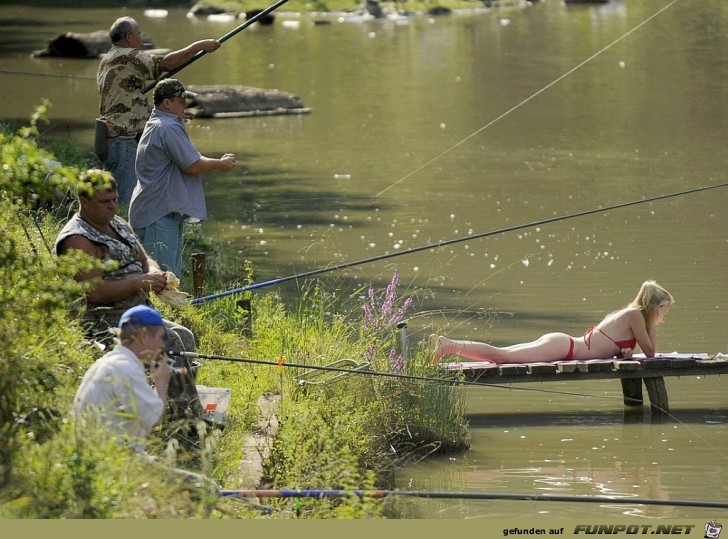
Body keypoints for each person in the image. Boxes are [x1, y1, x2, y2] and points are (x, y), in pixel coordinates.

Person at [55, 169, 203, 421]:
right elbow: (96, 293)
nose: (112, 206)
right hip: (103, 323)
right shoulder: (77, 239)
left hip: (136, 316)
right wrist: (140, 282)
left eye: (114, 199)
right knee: (171, 342)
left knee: (185, 337)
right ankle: (186, 421)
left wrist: (156, 275)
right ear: (84, 201)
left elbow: (144, 259)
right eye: (104, 202)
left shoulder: (117, 223)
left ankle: (173, 409)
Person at [97, 16, 222, 205]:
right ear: (129, 37)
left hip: (111, 137)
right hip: (122, 139)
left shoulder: (107, 59)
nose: (141, 38)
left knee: (119, 195)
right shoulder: (127, 55)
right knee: (123, 200)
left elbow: (128, 103)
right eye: (139, 34)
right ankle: (121, 233)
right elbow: (166, 64)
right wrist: (199, 46)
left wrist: (170, 113)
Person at [129, 78, 237, 279]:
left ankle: (167, 311)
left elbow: (189, 158)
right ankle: (164, 311)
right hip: (158, 215)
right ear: (166, 103)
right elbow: (193, 165)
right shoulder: (168, 127)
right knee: (163, 281)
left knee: (164, 279)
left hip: (154, 211)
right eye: (180, 100)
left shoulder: (158, 123)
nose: (185, 104)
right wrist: (219, 164)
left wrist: (179, 118)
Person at [431, 280, 674, 364]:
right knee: (501, 357)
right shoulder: (635, 316)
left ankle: (449, 345)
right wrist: (653, 321)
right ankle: (448, 345)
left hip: (563, 344)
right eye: (664, 311)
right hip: (565, 347)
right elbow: (651, 353)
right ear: (655, 307)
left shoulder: (633, 316)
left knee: (502, 354)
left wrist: (624, 353)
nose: (664, 317)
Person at [74, 305, 171, 454]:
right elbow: (154, 421)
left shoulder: (107, 362)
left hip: (93, 456)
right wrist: (161, 382)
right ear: (143, 336)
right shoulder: (127, 369)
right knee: (199, 479)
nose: (162, 345)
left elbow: (143, 413)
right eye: (161, 337)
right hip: (111, 464)